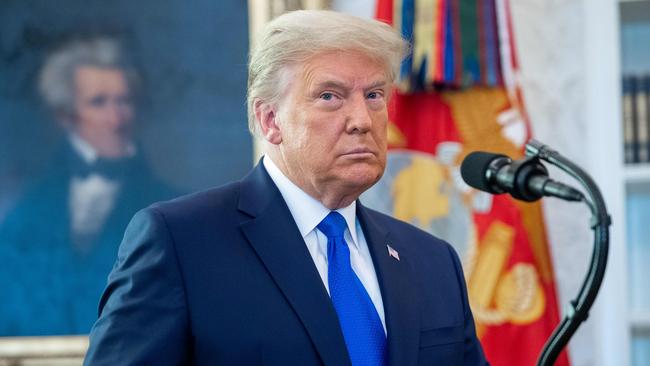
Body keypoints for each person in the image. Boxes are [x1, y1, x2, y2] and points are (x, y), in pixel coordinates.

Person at [84, 10, 488, 365]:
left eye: (374, 95)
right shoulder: (180, 242)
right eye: (330, 96)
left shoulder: (433, 261)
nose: (362, 120)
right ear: (270, 120)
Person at [0, 37, 176, 336]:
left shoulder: (173, 208)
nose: (116, 118)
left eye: (124, 101)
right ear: (64, 115)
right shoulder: (23, 215)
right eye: (99, 102)